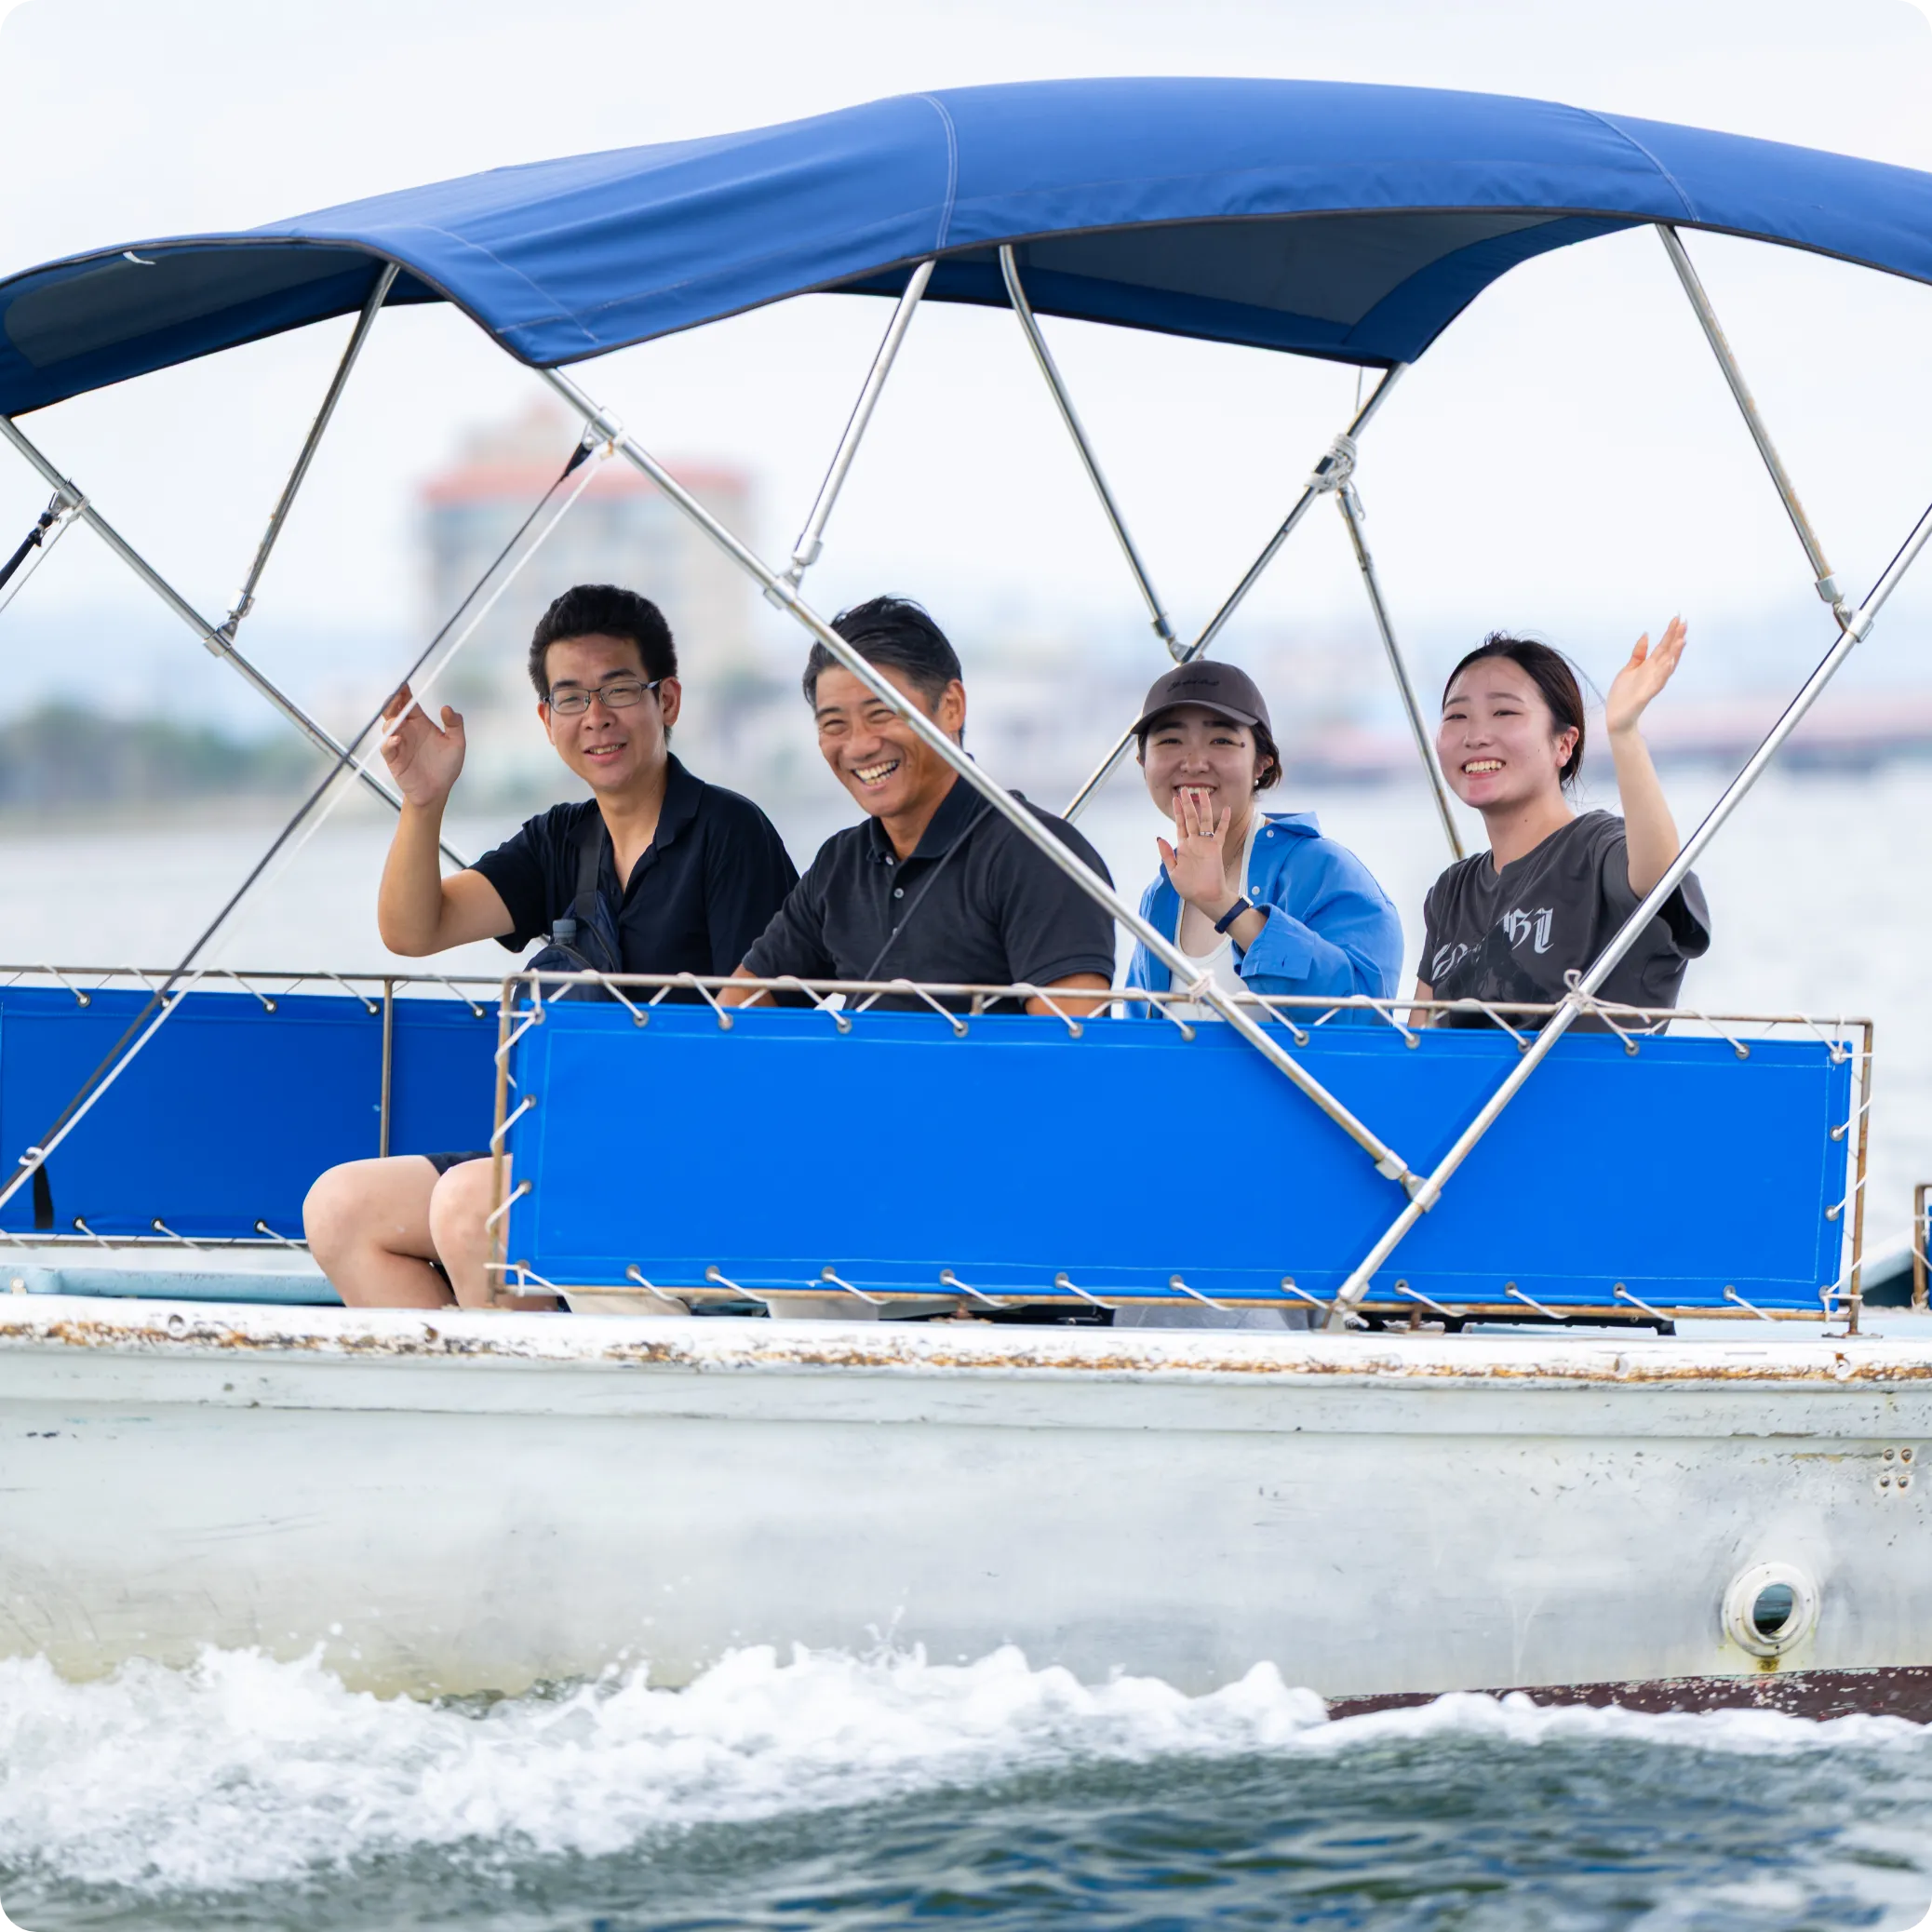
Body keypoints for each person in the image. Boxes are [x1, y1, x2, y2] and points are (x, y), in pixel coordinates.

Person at [304, 583, 798, 1310]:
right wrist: (424, 801)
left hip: (700, 1168)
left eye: (619, 689)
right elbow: (415, 929)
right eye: (570, 698)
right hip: (578, 1152)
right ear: (546, 718)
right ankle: (471, 1409)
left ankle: (533, 1413)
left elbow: (756, 1049)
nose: (595, 718)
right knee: (340, 1206)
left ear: (668, 701)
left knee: (476, 1203)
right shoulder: (561, 839)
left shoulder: (730, 835)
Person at [725, 596, 1116, 1016]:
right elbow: (738, 1006)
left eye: (881, 714)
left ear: (951, 707)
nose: (859, 746)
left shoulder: (1040, 854)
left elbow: (1073, 1051)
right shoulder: (840, 864)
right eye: (834, 724)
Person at [1415, 622, 1710, 1028]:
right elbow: (1419, 1045)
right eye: (1457, 715)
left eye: (1504, 712)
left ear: (1564, 744)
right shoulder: (1452, 893)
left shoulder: (1595, 849)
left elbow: (1659, 877)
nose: (1476, 735)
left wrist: (1624, 733)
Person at [1121, 660, 1402, 1020]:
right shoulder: (1160, 895)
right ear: (1143, 762)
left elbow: (1364, 1018)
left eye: (1221, 740)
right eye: (1170, 741)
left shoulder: (1325, 870)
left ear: (1262, 764)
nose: (1193, 762)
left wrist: (1225, 906)